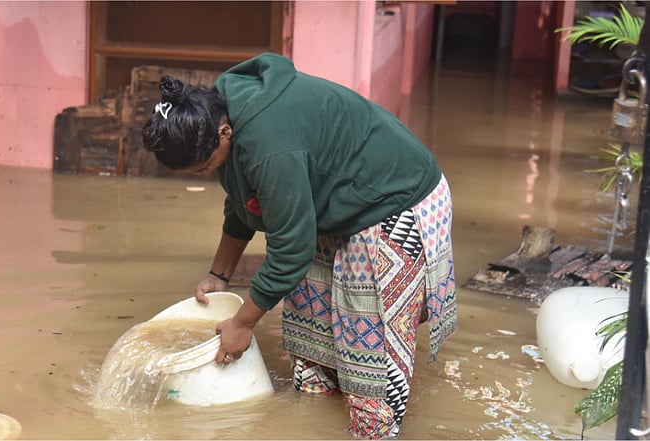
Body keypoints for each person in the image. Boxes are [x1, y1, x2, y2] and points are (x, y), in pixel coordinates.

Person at [142, 52, 457, 439]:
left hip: (393, 200)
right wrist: (218, 274)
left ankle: (375, 428)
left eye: (206, 166)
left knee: (368, 354)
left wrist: (242, 324)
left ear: (223, 132)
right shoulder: (219, 112)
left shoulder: (269, 143)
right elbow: (243, 200)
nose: (209, 173)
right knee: (313, 346)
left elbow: (291, 252)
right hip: (333, 200)